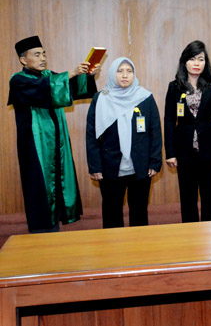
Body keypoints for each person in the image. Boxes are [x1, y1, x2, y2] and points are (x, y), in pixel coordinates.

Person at [8, 36, 98, 233]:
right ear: (23, 60)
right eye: (37, 54)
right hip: (35, 149)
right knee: (39, 191)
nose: (43, 58)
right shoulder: (19, 80)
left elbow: (73, 89)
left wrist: (86, 75)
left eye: (44, 54)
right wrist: (70, 74)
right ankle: (40, 238)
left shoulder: (49, 76)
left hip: (57, 146)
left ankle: (55, 234)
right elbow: (44, 90)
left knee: (58, 187)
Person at [86, 57, 162, 228]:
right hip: (109, 168)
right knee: (112, 214)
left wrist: (155, 162)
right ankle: (113, 252)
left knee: (139, 213)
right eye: (120, 71)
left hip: (140, 167)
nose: (125, 75)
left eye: (129, 71)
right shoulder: (101, 99)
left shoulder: (145, 98)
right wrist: (95, 166)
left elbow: (155, 132)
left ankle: (139, 250)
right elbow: (91, 135)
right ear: (113, 74)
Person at [164, 41, 211, 223]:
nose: (197, 63)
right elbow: (169, 120)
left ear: (205, 62)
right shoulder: (174, 86)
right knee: (187, 197)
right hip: (184, 150)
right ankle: (190, 235)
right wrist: (170, 153)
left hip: (209, 148)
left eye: (201, 59)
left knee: (209, 196)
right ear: (185, 62)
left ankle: (210, 234)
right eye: (192, 59)